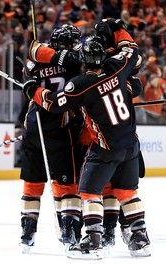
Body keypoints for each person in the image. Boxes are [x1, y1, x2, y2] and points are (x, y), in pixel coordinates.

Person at [23, 21, 150, 259]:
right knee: (127, 192)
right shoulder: (118, 67)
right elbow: (133, 56)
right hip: (131, 145)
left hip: (104, 147)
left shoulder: (82, 84)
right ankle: (140, 240)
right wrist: (117, 29)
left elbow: (54, 102)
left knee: (90, 191)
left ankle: (93, 241)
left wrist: (33, 91)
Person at [19, 24, 85, 254]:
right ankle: (69, 231)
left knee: (32, 184)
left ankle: (27, 233)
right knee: (67, 184)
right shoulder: (77, 60)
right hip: (61, 127)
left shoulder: (39, 56)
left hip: (34, 124)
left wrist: (35, 65)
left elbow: (29, 68)